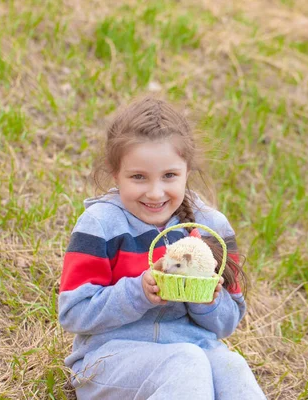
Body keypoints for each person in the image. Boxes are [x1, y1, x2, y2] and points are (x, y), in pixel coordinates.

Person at [58, 95, 266, 399]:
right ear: (115, 174)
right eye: (139, 177)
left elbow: (226, 324)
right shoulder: (100, 224)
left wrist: (205, 298)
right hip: (110, 363)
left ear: (187, 171)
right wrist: (138, 293)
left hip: (194, 349)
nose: (155, 193)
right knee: (186, 362)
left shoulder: (212, 227)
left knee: (231, 366)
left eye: (169, 176)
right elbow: (73, 313)